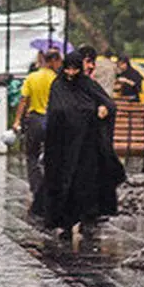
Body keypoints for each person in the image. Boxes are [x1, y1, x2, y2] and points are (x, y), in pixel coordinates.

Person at [42, 49, 125, 242]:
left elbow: (108, 105)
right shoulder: (58, 86)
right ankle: (65, 222)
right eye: (68, 69)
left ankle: (88, 218)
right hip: (63, 148)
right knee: (65, 185)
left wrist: (102, 110)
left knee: (86, 185)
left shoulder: (88, 85)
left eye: (75, 70)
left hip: (87, 148)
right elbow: (56, 111)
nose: (71, 74)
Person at [12, 50, 60, 216]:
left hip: (35, 120)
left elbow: (24, 99)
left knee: (32, 155)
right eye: (59, 60)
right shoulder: (56, 79)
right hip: (53, 122)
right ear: (53, 61)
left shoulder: (32, 77)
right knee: (52, 156)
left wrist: (17, 120)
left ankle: (36, 188)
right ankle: (50, 188)